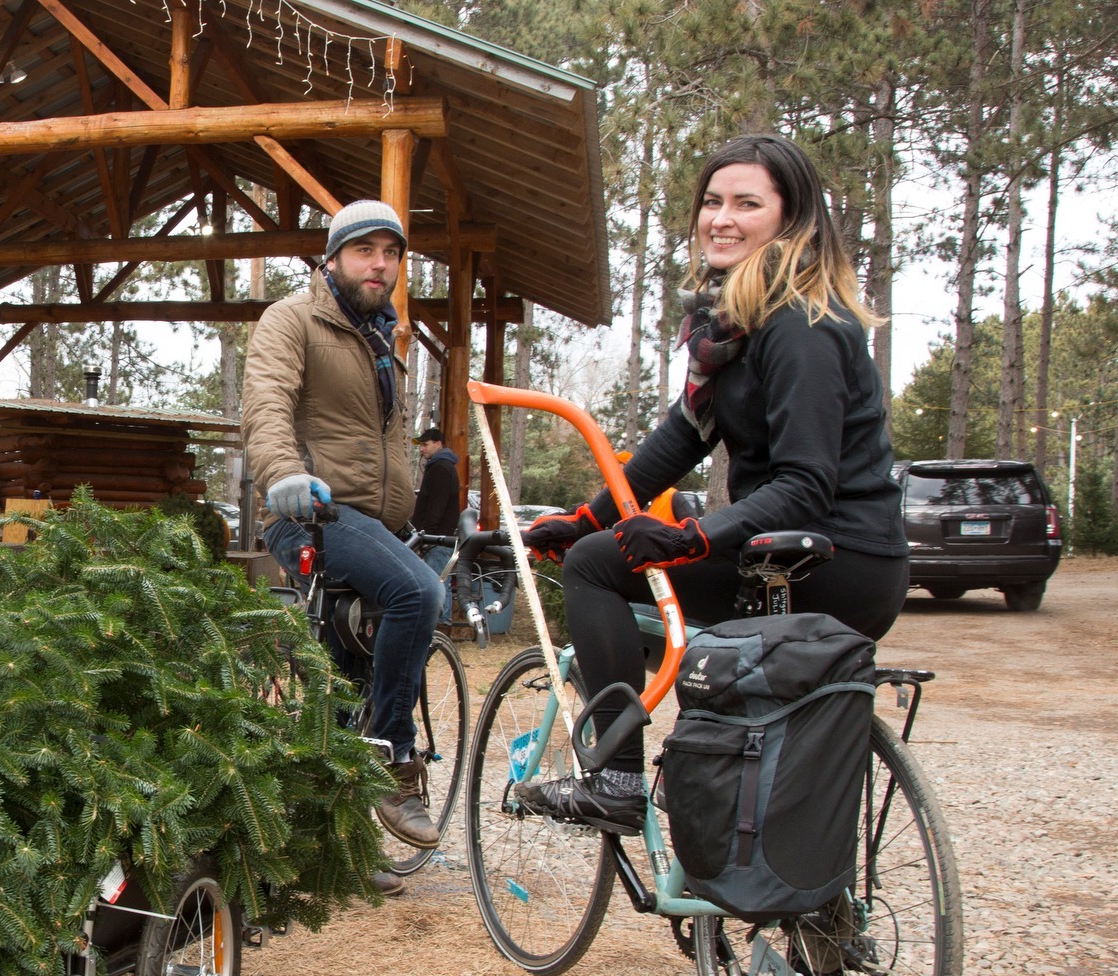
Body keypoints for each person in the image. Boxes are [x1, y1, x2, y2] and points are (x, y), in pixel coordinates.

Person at [519, 133, 908, 834]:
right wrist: (587, 516)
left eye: (747, 204)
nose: (721, 218)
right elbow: (678, 441)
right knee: (596, 547)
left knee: (595, 570)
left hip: (829, 562)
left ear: (792, 220)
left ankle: (613, 781)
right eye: (713, 201)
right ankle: (805, 910)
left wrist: (689, 538)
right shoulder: (739, 328)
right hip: (796, 554)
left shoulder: (801, 327)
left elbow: (805, 483)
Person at [241, 198, 446, 886]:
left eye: (391, 253)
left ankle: (332, 854)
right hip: (311, 510)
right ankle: (393, 757)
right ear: (331, 259)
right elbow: (267, 403)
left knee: (342, 677)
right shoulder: (293, 320)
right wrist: (283, 476)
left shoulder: (385, 338)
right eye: (365, 250)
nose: (380, 264)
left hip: (374, 521)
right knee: (419, 592)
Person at [410, 426, 462, 578]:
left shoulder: (441, 468)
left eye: (425, 444)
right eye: (420, 445)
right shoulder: (440, 466)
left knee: (438, 583)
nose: (421, 449)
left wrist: (427, 535)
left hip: (438, 539)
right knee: (439, 582)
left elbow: (436, 506)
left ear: (438, 444)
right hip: (438, 537)